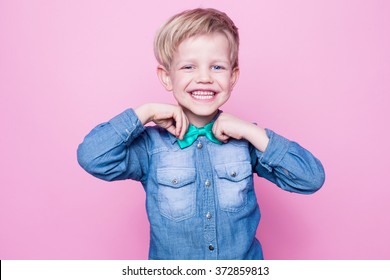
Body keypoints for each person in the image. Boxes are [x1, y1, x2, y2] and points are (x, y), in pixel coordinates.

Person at [77, 8, 325, 260]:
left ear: (233, 76)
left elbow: (310, 178)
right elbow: (92, 157)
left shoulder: (246, 142)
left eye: (217, 67)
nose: (204, 77)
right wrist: (146, 112)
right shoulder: (150, 148)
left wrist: (253, 132)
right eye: (188, 67)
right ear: (166, 77)